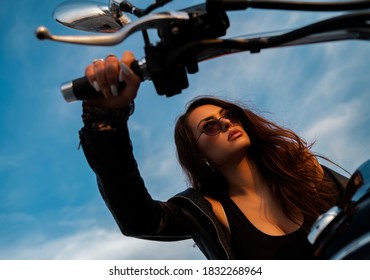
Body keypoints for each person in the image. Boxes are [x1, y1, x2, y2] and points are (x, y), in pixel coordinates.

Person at [79, 50, 349, 260]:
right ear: (199, 155)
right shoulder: (206, 212)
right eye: (209, 126)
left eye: (229, 116)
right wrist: (106, 123)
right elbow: (137, 219)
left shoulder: (307, 173)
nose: (226, 124)